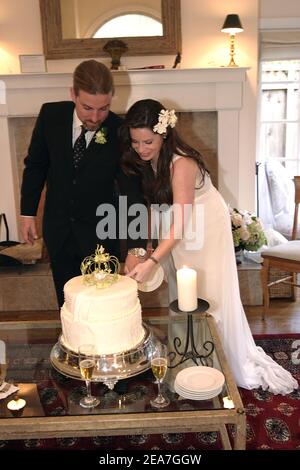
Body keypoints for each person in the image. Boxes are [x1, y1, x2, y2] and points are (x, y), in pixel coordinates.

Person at [121, 98, 298, 395]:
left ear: (164, 133)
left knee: (209, 295)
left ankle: (219, 362)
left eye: (147, 141)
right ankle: (190, 357)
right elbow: (153, 207)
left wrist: (152, 262)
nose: (141, 148)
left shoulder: (183, 164)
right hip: (178, 227)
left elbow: (181, 220)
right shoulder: (148, 160)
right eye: (135, 142)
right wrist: (146, 247)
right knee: (184, 294)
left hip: (203, 228)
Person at [20, 60, 145, 307]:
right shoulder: (50, 116)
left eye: (104, 108)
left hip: (101, 234)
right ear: (72, 94)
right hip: (59, 231)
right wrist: (27, 213)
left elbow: (132, 192)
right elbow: (35, 166)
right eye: (88, 108)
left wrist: (136, 248)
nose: (96, 117)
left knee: (103, 308)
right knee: (68, 305)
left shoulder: (119, 131)